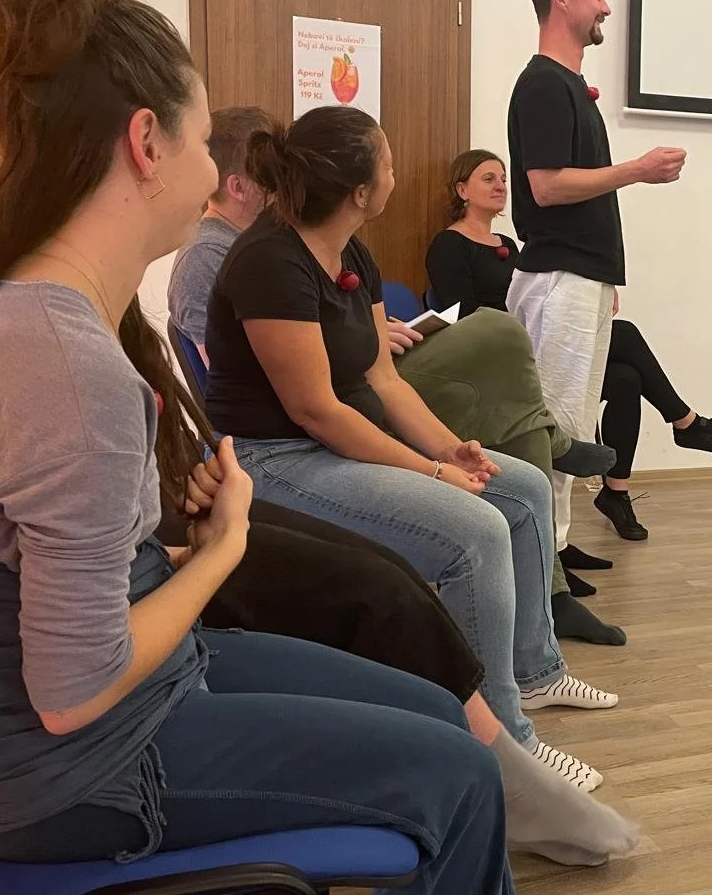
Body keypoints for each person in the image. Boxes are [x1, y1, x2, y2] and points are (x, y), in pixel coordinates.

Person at [0, 0, 629, 895]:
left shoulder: (43, 318)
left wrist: (180, 550)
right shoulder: (51, 352)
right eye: (205, 136)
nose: (222, 164)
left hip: (92, 728)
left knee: (439, 710)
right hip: (76, 776)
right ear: (144, 142)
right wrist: (218, 553)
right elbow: (71, 689)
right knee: (453, 776)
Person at [203, 104, 620, 793]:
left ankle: (536, 675)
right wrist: (430, 472)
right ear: (361, 190)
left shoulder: (352, 251)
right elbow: (317, 411)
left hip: (333, 443)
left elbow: (382, 379)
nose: (397, 172)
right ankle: (508, 758)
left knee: (516, 488)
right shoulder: (269, 261)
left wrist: (454, 451)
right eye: (388, 162)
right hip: (273, 461)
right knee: (476, 532)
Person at [431, 148, 712, 543]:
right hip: (499, 357)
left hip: (533, 343)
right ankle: (685, 422)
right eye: (488, 178)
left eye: (503, 178)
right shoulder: (449, 245)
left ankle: (616, 493)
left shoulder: (514, 247)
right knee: (628, 334)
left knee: (624, 379)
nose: (501, 185)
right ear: (462, 189)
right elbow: (460, 319)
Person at [506, 0, 688, 557]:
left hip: (578, 279)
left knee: (572, 426)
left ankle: (556, 548)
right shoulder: (543, 85)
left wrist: (604, 281)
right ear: (563, 1)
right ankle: (544, 564)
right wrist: (636, 169)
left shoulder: (567, 85)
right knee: (555, 425)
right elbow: (547, 186)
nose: (606, 8)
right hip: (560, 278)